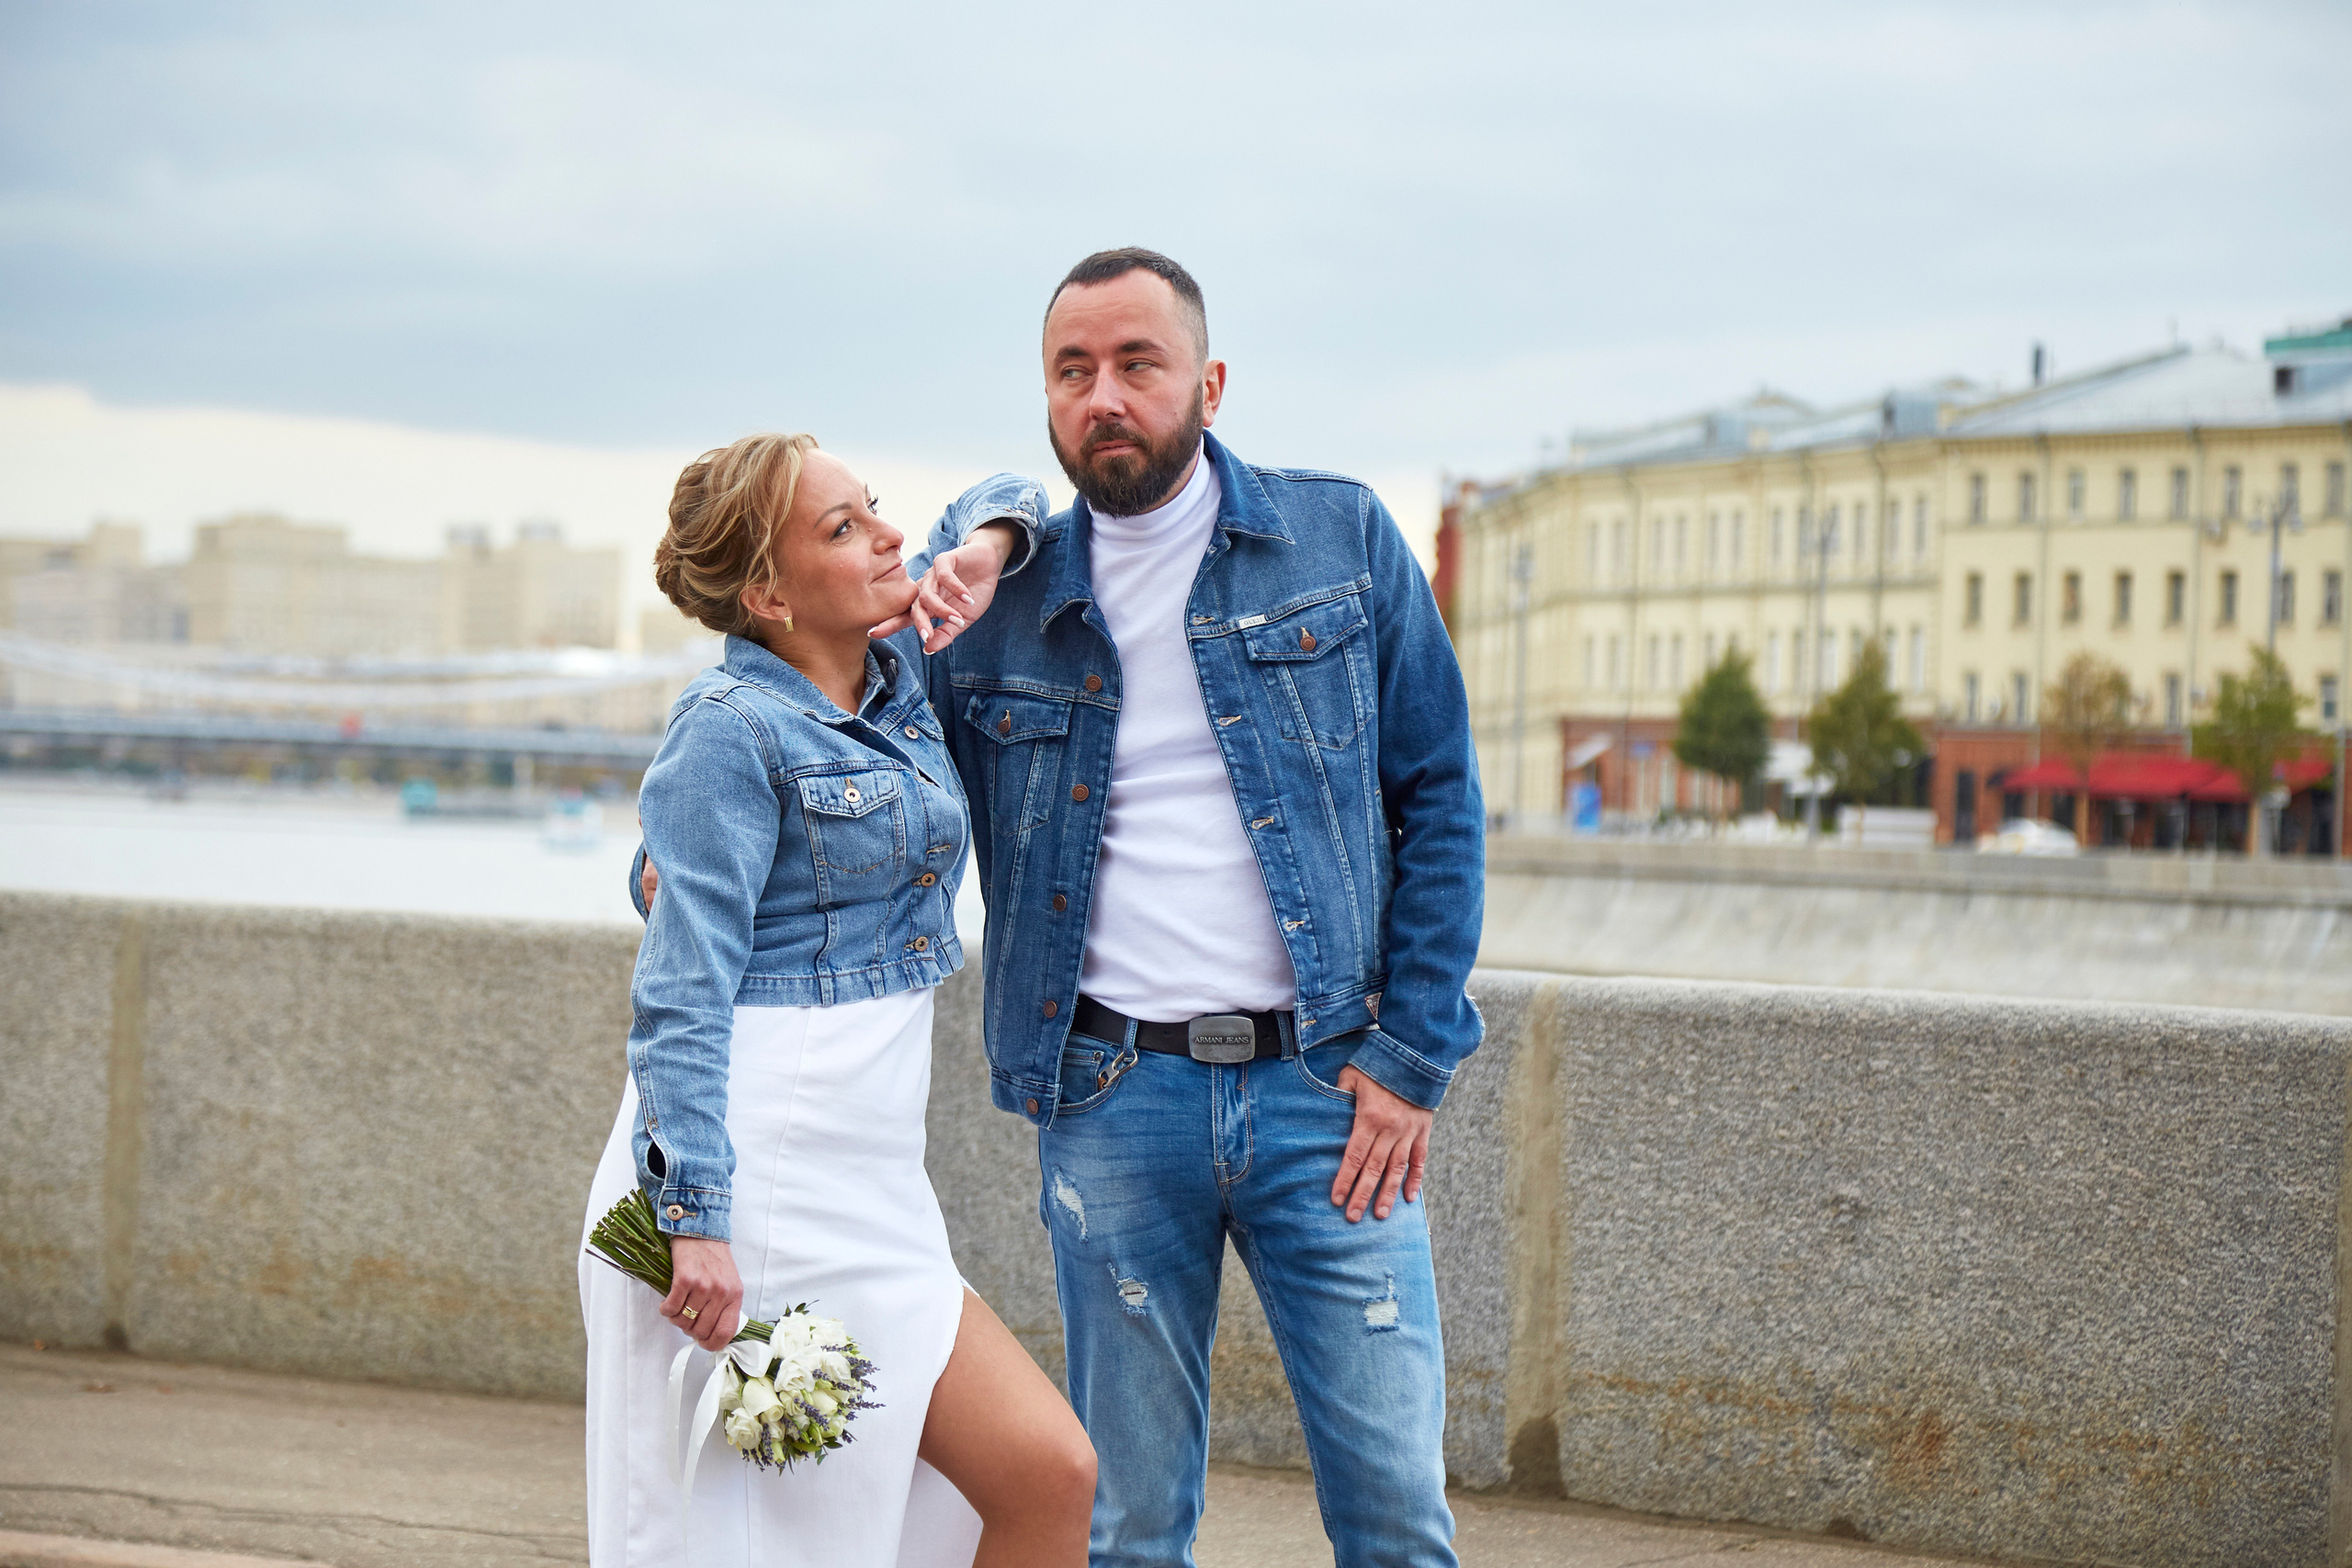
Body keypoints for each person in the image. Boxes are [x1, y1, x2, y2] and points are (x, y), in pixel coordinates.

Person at [646, 249, 1484, 1565]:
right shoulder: (995, 606)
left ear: (1208, 383)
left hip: (1331, 1093)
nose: (1107, 395)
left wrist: (1411, 1058)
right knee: (1127, 1520)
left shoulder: (1342, 536)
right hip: (1111, 1097)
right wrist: (660, 866)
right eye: (1073, 370)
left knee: (1394, 1512)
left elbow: (1439, 795)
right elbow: (802, 751)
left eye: (1139, 365)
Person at [578, 431, 1094, 1568]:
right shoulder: (727, 731)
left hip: (872, 1183)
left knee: (1048, 1474)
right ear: (765, 591)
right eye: (842, 527)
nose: (891, 535)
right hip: (750, 1173)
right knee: (771, 1539)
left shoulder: (900, 677)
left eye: (874, 506)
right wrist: (692, 1219)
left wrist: (988, 549)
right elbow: (680, 995)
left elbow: (1010, 496)